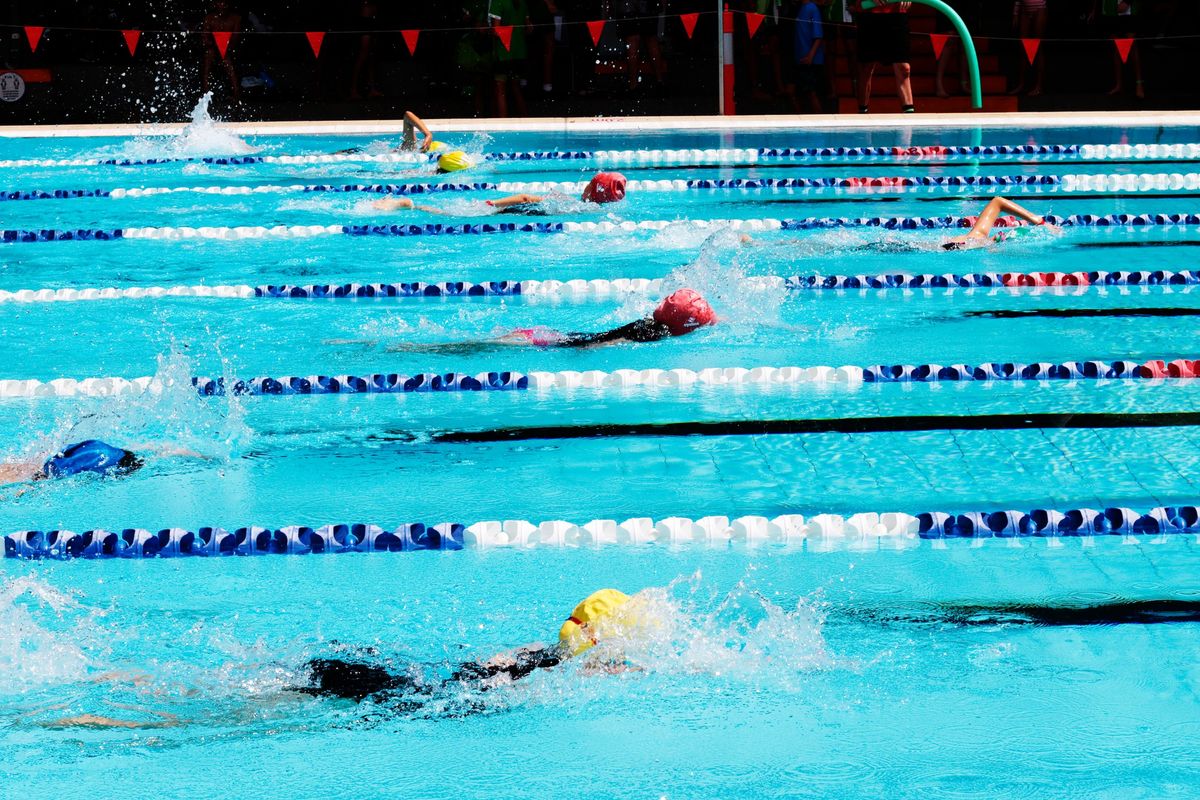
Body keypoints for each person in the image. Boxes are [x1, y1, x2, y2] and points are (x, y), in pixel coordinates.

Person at [299, 589, 640, 707]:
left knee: (319, 682)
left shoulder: (537, 652)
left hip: (436, 686)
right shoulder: (563, 667)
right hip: (433, 699)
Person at [328, 289, 717, 353]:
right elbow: (595, 343)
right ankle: (394, 346)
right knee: (463, 348)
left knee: (468, 345)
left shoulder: (644, 326)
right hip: (543, 343)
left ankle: (394, 345)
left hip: (548, 337)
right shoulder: (645, 335)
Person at [372, 171, 625, 214]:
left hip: (506, 208)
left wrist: (493, 202)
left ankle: (407, 204)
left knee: (451, 214)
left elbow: (526, 198)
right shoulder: (586, 211)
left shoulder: (569, 202)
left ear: (593, 187)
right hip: (519, 214)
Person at [852, 0, 913, 113]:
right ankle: (862, 112)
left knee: (904, 68)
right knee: (866, 67)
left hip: (897, 13)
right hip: (869, 11)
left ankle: (909, 116)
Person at [0, 440, 144, 487]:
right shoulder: (110, 464)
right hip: (93, 457)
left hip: (90, 447)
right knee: (36, 478)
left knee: (34, 468)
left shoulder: (113, 452)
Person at [941, 196, 1057, 250]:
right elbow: (998, 201)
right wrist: (1040, 222)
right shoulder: (976, 237)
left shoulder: (976, 236)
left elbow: (998, 202)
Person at [201, 0, 242, 101]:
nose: (222, 6)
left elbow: (236, 37)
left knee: (229, 64)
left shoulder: (236, 18)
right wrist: (214, 46)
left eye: (224, 3)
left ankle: (236, 94)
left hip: (228, 47)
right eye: (219, 3)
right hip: (213, 47)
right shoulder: (209, 18)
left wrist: (227, 48)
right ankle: (206, 95)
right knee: (207, 60)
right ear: (215, 4)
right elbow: (204, 37)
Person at [793, 0, 826, 113]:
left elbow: (818, 36)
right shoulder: (800, 8)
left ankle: (822, 125)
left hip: (812, 61)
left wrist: (811, 56)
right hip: (801, 59)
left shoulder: (812, 8)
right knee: (803, 94)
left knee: (812, 93)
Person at [1009, 0, 1047, 97]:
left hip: (1039, 7)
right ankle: (1021, 84)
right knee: (1023, 48)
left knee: (1037, 47)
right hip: (1024, 8)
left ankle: (1039, 86)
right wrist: (1015, 13)